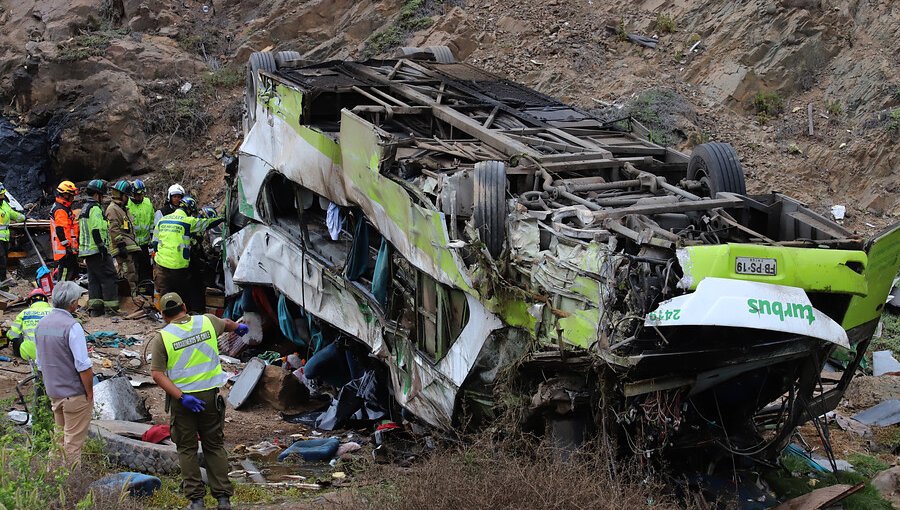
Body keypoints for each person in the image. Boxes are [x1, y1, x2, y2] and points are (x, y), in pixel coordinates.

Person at [149, 292, 248, 510]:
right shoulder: (207, 321)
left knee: (187, 449)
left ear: (164, 315)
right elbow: (228, 324)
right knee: (214, 446)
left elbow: (157, 374)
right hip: (210, 398)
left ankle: (196, 501)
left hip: (183, 400)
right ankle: (223, 499)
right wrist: (238, 328)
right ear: (184, 306)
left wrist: (182, 397)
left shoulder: (162, 337)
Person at [33, 281, 93, 463]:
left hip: (55, 392)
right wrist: (89, 393)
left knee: (58, 442)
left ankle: (52, 481)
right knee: (73, 445)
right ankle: (71, 487)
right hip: (74, 394)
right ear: (73, 302)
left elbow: (40, 363)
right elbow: (83, 365)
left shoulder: (41, 324)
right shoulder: (72, 326)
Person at [153, 196, 222, 310]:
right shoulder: (187, 221)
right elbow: (207, 224)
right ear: (189, 210)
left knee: (165, 292)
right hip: (178, 265)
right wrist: (223, 218)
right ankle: (180, 316)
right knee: (180, 293)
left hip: (161, 264)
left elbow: (155, 244)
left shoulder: (162, 220)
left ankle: (165, 316)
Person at [78, 179, 118, 316]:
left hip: (87, 251)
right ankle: (111, 310)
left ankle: (96, 310)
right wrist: (102, 248)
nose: (102, 198)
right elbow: (96, 230)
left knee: (93, 280)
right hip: (97, 250)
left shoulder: (84, 208)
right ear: (97, 195)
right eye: (102, 195)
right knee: (109, 277)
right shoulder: (94, 209)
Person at [107, 180, 141, 297]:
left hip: (128, 246)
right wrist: (120, 245)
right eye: (127, 196)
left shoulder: (122, 209)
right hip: (122, 248)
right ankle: (130, 298)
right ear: (121, 195)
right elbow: (113, 228)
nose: (128, 199)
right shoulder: (113, 209)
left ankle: (134, 295)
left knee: (132, 272)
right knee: (127, 274)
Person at [6, 288, 52, 362]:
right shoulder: (54, 312)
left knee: (19, 335)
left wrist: (7, 333)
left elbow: (13, 335)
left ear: (30, 301)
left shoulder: (24, 313)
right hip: (52, 355)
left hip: (29, 354)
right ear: (45, 300)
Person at [127, 179, 154, 293]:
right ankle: (135, 291)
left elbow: (152, 221)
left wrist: (152, 239)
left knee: (146, 269)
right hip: (132, 244)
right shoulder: (127, 205)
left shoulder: (147, 202)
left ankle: (145, 290)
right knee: (134, 269)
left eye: (142, 194)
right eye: (138, 194)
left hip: (145, 244)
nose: (140, 197)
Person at [50, 181, 80, 281]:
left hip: (68, 248)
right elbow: (60, 229)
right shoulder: (60, 210)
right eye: (71, 195)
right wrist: (67, 246)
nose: (73, 198)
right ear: (65, 194)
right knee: (65, 273)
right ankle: (62, 291)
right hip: (65, 249)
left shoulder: (64, 208)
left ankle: (67, 291)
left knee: (73, 270)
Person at [0, 182, 25, 285]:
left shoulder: (4, 204)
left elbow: (12, 214)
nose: (2, 196)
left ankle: (3, 280)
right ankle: (2, 281)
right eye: (1, 194)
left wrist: (23, 218)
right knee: (1, 259)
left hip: (5, 238)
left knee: (4, 258)